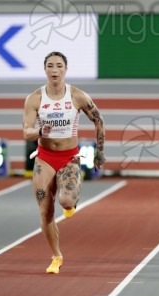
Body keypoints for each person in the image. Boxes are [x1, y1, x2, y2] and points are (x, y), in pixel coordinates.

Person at [23, 51, 106, 273]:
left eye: (59, 66)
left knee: (67, 201)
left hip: (69, 157)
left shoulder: (77, 96)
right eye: (50, 66)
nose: (54, 70)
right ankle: (56, 257)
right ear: (45, 70)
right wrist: (40, 130)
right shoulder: (35, 99)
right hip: (45, 158)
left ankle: (70, 202)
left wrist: (100, 153)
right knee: (45, 211)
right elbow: (26, 132)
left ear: (65, 70)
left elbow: (99, 121)